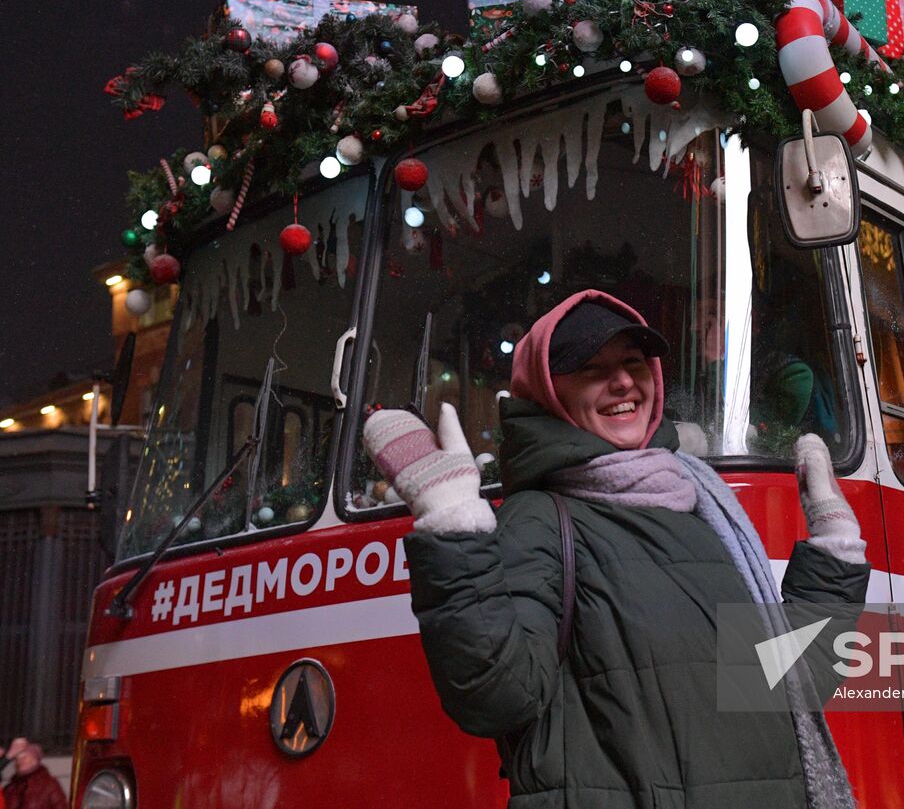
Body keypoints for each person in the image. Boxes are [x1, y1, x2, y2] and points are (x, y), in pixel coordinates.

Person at [364, 289, 870, 808]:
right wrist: (453, 530)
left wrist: (836, 557)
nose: (624, 380)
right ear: (550, 393)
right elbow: (496, 695)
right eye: (591, 367)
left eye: (633, 362)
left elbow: (781, 680)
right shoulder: (541, 517)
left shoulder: (698, 506)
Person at [0, 740, 65, 809]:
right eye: (17, 758)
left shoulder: (49, 784)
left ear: (35, 759)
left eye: (24, 757)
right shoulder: (11, 788)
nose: (20, 761)